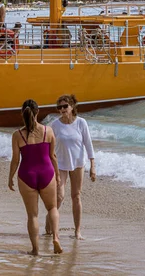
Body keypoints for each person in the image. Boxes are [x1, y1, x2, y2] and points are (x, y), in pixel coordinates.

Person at [9, 99, 62, 256]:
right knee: (52, 208)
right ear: (38, 112)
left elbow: (15, 160)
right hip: (47, 173)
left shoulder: (17, 135)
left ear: (22, 113)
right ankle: (56, 238)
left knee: (32, 215)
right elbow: (53, 156)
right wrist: (58, 175)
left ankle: (35, 250)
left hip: (27, 175)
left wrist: (10, 177)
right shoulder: (48, 131)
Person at [46, 94, 95, 240]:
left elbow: (88, 144)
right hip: (60, 163)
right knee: (59, 196)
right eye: (59, 107)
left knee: (76, 196)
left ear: (72, 106)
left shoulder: (81, 123)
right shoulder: (55, 125)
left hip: (78, 163)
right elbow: (48, 145)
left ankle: (77, 231)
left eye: (65, 106)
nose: (62, 109)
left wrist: (93, 165)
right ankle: (49, 226)